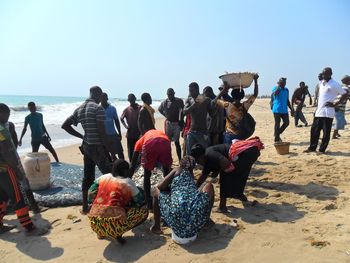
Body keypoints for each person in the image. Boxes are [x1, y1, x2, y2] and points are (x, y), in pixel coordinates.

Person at [62, 86, 112, 214]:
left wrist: (81, 136)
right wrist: (110, 150)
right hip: (97, 147)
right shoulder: (98, 108)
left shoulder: (79, 109)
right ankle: (112, 204)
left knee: (88, 176)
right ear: (99, 95)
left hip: (87, 147)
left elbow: (65, 125)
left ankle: (85, 207)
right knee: (110, 174)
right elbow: (102, 132)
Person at [0, 103, 48, 235]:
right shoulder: (2, 130)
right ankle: (29, 227)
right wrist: (17, 170)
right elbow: (7, 152)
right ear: (1, 114)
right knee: (17, 197)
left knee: (2, 196)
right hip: (7, 169)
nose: (8, 117)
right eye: (7, 115)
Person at [151, 156, 214, 245]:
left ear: (181, 164)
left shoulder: (177, 170)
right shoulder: (191, 175)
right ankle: (206, 221)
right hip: (194, 228)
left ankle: (156, 227)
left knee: (155, 191)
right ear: (192, 167)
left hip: (177, 230)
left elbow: (159, 187)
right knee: (209, 186)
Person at [191, 139, 263, 213]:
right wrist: (194, 189)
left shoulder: (209, 153)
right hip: (251, 152)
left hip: (246, 152)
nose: (198, 163)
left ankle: (222, 206)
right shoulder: (208, 158)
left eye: (198, 161)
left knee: (225, 174)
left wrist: (221, 171)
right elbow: (203, 176)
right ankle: (239, 195)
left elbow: (224, 162)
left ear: (201, 157)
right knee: (242, 174)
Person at [88, 159, 148, 244]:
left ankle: (100, 233)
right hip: (114, 226)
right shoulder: (128, 182)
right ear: (124, 171)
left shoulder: (103, 177)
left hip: (94, 222)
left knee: (104, 207)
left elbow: (90, 194)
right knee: (143, 211)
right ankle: (117, 235)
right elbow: (140, 201)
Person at [304, 67, 348, 153]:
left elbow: (345, 94)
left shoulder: (335, 84)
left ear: (330, 74)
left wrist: (335, 104)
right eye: (323, 73)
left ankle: (322, 150)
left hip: (328, 113)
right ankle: (312, 148)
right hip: (319, 112)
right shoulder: (321, 83)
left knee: (326, 133)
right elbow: (321, 98)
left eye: (325, 74)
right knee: (314, 131)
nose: (323, 75)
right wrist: (316, 109)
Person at [130, 129, 172, 209]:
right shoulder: (155, 132)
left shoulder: (139, 142)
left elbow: (133, 163)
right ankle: (167, 197)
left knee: (147, 175)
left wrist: (128, 178)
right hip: (165, 142)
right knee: (166, 172)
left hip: (150, 143)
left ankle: (149, 203)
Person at [214, 74, 259, 143]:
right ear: (242, 95)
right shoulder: (245, 106)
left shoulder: (227, 105)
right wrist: (255, 81)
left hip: (229, 135)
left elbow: (215, 100)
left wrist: (224, 89)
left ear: (231, 94)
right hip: (241, 135)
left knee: (228, 152)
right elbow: (255, 94)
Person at [183, 82, 212, 154]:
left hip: (203, 132)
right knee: (189, 154)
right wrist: (194, 105)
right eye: (189, 91)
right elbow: (184, 112)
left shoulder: (206, 99)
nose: (190, 93)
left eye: (192, 91)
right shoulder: (189, 100)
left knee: (205, 153)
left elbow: (212, 114)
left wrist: (209, 129)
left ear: (197, 90)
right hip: (192, 131)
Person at [158, 88, 184, 162]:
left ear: (174, 93)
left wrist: (181, 120)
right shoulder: (165, 102)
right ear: (167, 95)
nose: (170, 96)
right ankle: (168, 159)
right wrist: (166, 115)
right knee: (167, 142)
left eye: (171, 94)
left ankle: (180, 160)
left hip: (176, 124)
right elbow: (160, 109)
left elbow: (183, 111)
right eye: (169, 94)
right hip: (168, 124)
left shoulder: (179, 101)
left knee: (177, 142)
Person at [100, 93, 124, 160]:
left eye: (105, 98)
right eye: (102, 98)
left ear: (107, 98)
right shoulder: (98, 109)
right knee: (107, 154)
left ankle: (123, 166)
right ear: (100, 99)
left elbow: (116, 121)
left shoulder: (112, 108)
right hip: (103, 135)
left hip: (113, 134)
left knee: (120, 152)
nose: (103, 99)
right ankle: (112, 168)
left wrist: (119, 132)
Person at [271, 78, 295, 142]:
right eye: (282, 82)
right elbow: (275, 94)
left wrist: (291, 109)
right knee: (277, 124)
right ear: (279, 83)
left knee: (286, 122)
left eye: (285, 82)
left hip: (284, 110)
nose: (284, 83)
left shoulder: (286, 90)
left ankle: (277, 134)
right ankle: (276, 138)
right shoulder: (275, 88)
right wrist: (278, 85)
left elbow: (287, 100)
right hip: (277, 109)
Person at [120, 94, 142, 161]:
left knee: (140, 150)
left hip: (139, 133)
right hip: (130, 134)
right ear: (128, 100)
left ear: (135, 98)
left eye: (132, 99)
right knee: (131, 150)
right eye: (130, 100)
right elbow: (121, 118)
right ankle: (131, 164)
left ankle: (139, 163)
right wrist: (126, 126)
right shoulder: (126, 110)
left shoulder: (140, 108)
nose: (131, 101)